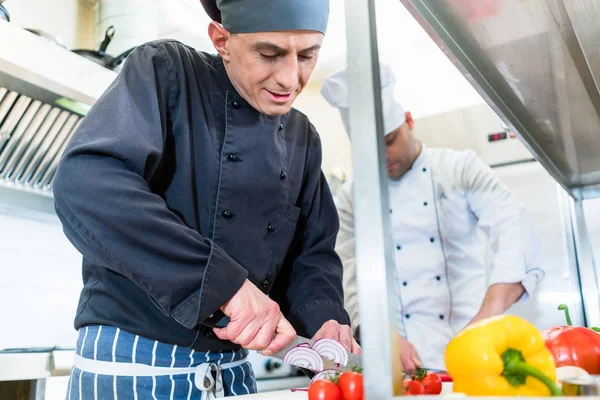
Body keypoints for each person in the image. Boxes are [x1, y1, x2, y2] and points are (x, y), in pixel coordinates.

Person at [53, 1, 359, 398]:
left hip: (233, 375)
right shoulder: (166, 71)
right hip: (135, 371)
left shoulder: (303, 137)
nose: (290, 77)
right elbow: (86, 184)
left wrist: (325, 324)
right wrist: (224, 286)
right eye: (269, 54)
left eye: (307, 55)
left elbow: (311, 255)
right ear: (222, 40)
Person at [320, 64, 544, 372]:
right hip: (401, 368)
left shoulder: (459, 169)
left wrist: (487, 315)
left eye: (389, 140)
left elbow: (515, 226)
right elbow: (346, 275)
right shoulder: (352, 197)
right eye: (368, 148)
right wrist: (378, 335)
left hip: (475, 351)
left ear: (409, 121)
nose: (382, 155)